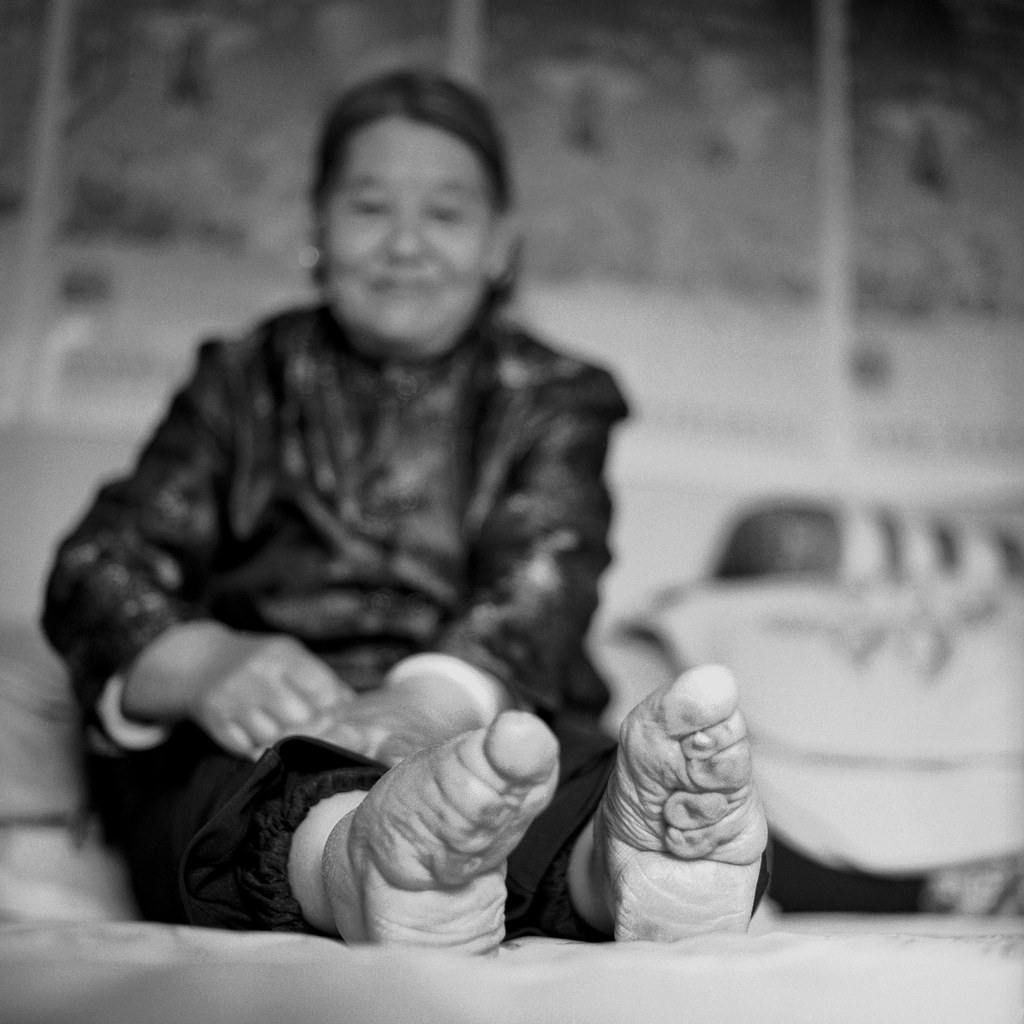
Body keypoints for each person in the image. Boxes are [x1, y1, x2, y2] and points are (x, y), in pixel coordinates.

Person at [41, 69, 768, 951]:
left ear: (501, 245)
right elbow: (99, 563)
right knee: (241, 789)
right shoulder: (240, 380)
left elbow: (542, 581)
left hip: (489, 703)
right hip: (282, 718)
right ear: (316, 227)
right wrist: (201, 661)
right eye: (371, 207)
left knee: (544, 773)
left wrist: (426, 706)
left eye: (447, 214)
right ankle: (362, 863)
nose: (406, 243)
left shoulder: (553, 396)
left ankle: (631, 868)